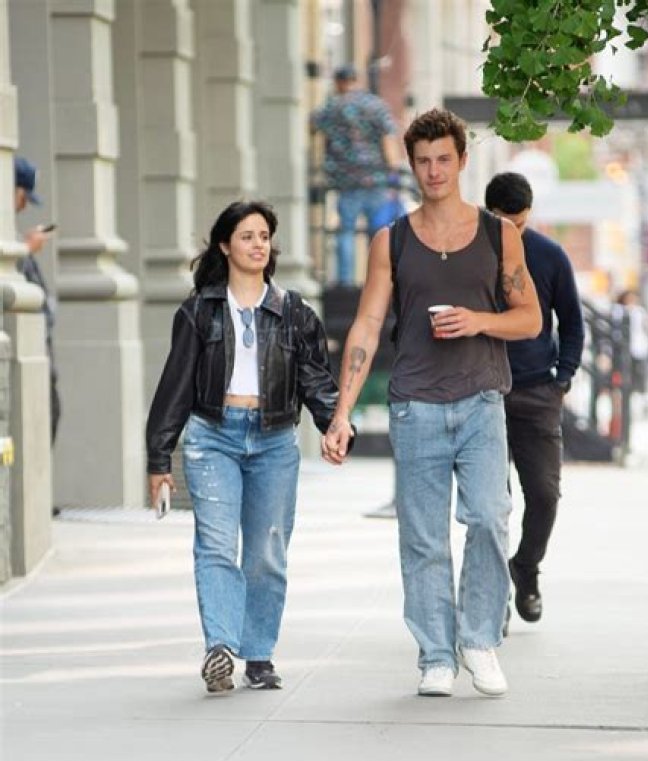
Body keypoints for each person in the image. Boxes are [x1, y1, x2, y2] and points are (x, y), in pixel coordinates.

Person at [322, 109, 541, 698]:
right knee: (421, 537)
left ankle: (479, 640)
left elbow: (529, 319)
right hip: (415, 406)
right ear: (412, 165)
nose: (434, 170)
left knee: (490, 521)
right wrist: (341, 412)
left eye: (444, 158)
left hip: (480, 401)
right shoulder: (391, 240)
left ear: (463, 161)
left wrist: (477, 320)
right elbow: (366, 325)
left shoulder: (501, 235)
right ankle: (436, 655)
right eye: (423, 161)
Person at [146, 200, 345, 694]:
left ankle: (258, 654)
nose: (258, 244)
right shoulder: (199, 311)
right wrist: (158, 458)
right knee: (215, 545)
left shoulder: (293, 310)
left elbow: (315, 377)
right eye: (247, 236)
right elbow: (175, 386)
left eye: (264, 236)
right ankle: (219, 647)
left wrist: (332, 424)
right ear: (224, 245)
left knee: (266, 552)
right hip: (213, 436)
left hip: (275, 439)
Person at [484, 172, 584, 631]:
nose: (513, 234)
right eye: (505, 224)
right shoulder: (470, 255)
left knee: (544, 494)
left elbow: (573, 324)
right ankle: (493, 596)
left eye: (520, 225)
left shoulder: (549, 255)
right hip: (482, 391)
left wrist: (560, 380)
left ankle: (525, 567)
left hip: (537, 391)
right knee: (491, 502)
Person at [310, 64, 403, 285]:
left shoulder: (330, 107)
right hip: (375, 178)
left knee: (346, 231)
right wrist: (393, 172)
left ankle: (346, 281)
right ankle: (381, 281)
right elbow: (388, 140)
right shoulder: (374, 105)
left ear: (338, 82)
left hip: (346, 180)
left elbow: (312, 126)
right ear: (356, 80)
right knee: (379, 233)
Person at [14, 156, 60, 447]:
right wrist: (25, 249)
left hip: (37, 346)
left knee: (49, 414)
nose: (23, 206)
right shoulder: (14, 246)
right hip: (23, 346)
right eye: (22, 196)